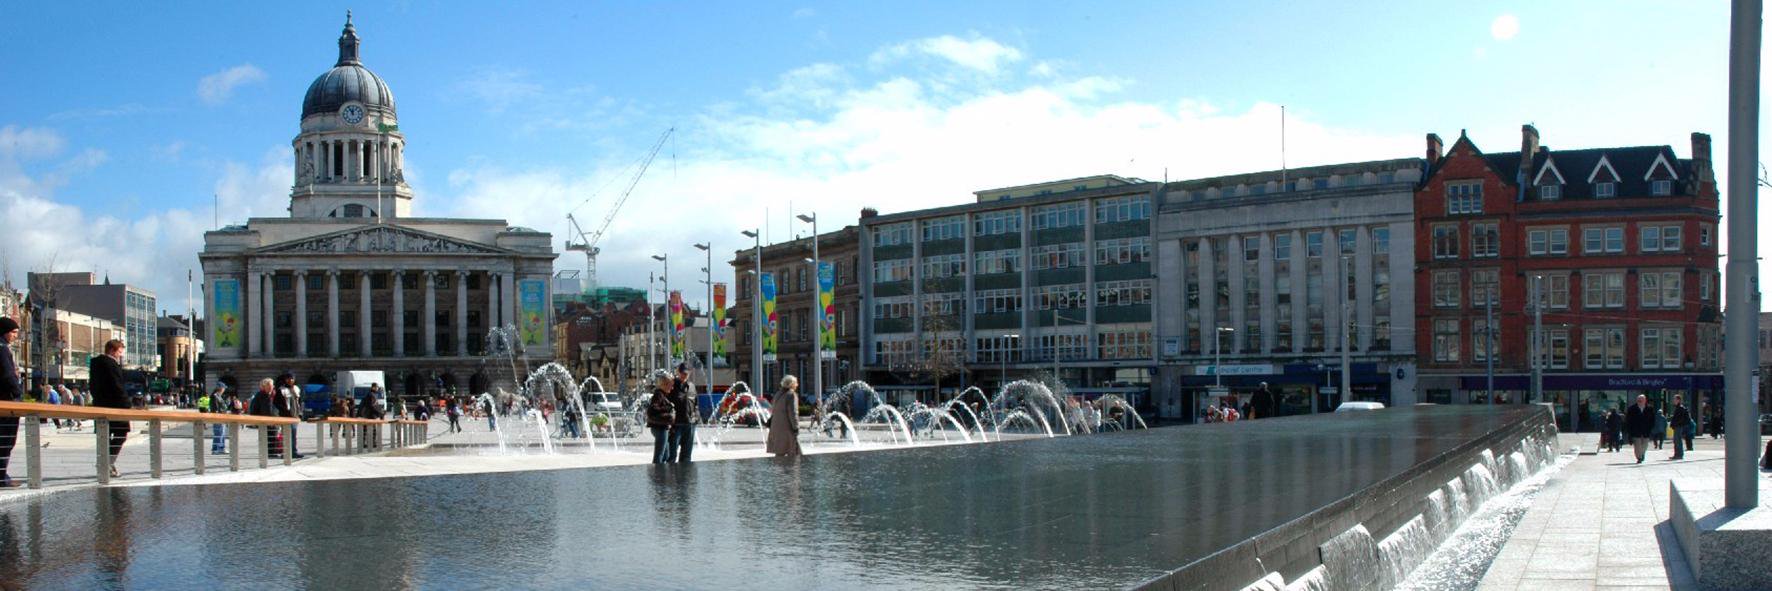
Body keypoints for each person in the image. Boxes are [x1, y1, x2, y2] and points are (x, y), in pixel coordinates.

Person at [90, 339, 130, 478]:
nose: (120, 355)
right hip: (116, 407)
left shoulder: (95, 364)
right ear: (112, 350)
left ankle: (104, 463)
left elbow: (93, 386)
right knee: (121, 434)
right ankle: (107, 463)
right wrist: (127, 404)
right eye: (119, 352)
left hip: (100, 405)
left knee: (104, 437)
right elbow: (117, 386)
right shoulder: (111, 365)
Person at [0, 317, 23, 487]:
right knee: (6, 439)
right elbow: (7, 375)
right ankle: (2, 476)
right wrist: (17, 393)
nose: (16, 335)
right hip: (7, 401)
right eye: (13, 332)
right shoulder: (2, 349)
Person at [767, 375, 803, 458]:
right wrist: (796, 427)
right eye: (796, 383)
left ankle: (778, 466)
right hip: (787, 428)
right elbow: (793, 413)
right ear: (791, 384)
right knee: (795, 453)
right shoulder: (791, 395)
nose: (797, 385)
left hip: (776, 427)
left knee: (780, 452)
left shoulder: (778, 394)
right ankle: (796, 467)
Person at [644, 371, 676, 464]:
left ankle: (661, 471)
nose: (672, 388)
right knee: (659, 456)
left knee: (665, 455)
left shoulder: (661, 395)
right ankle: (657, 472)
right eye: (671, 385)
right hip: (660, 428)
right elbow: (652, 409)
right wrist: (668, 408)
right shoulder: (658, 395)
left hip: (662, 427)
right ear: (665, 384)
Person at [668, 363, 697, 464]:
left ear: (689, 373)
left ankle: (685, 473)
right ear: (678, 372)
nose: (684, 375)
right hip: (676, 424)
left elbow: (696, 404)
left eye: (686, 373)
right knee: (671, 454)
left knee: (687, 455)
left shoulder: (692, 386)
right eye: (682, 373)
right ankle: (669, 473)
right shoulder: (671, 385)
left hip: (690, 424)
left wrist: (696, 418)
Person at [247, 378, 284, 457]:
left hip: (275, 419)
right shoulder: (259, 395)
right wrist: (255, 419)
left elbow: (281, 406)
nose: (271, 387)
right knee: (265, 437)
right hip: (263, 420)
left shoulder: (276, 394)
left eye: (271, 386)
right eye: (268, 386)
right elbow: (254, 408)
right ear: (264, 386)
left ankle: (272, 453)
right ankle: (265, 453)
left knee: (274, 436)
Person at [277, 374, 304, 458]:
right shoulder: (281, 390)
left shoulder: (296, 389)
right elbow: (276, 403)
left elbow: (300, 402)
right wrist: (284, 411)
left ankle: (293, 452)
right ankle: (286, 452)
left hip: (295, 415)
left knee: (293, 434)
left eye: (292, 379)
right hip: (286, 416)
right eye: (288, 379)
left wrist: (300, 413)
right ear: (285, 380)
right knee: (286, 434)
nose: (290, 380)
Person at [1624, 394, 1654, 464]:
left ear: (1645, 401)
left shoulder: (1650, 408)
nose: (1640, 402)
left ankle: (1642, 454)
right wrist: (1629, 430)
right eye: (1638, 400)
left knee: (1645, 445)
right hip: (1635, 431)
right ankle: (1639, 457)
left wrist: (1651, 428)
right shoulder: (1632, 409)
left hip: (1646, 431)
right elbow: (1628, 420)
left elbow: (1652, 420)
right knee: (1637, 446)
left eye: (1641, 400)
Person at [1668, 394, 1692, 460]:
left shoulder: (1680, 408)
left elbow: (1680, 419)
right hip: (1677, 426)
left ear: (1678, 400)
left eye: (1675, 399)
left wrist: (1676, 423)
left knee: (1677, 440)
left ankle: (1679, 454)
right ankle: (1677, 454)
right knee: (1676, 441)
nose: (1673, 400)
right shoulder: (1678, 408)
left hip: (1678, 426)